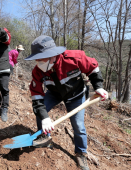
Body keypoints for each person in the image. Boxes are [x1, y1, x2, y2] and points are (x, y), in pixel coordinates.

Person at [25, 35, 108, 170]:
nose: (38, 63)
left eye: (41, 59)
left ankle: (81, 153)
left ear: (52, 55)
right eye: (36, 60)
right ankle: (45, 136)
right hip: (54, 93)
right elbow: (36, 97)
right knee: (41, 112)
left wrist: (98, 86)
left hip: (76, 94)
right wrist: (45, 118)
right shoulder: (37, 71)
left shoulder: (74, 58)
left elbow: (93, 68)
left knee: (78, 125)